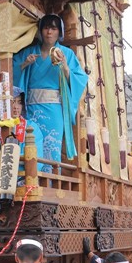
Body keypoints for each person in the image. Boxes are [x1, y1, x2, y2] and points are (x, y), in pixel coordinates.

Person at [13, 14, 88, 162]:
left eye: (54, 29)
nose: (49, 32)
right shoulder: (29, 52)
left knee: (51, 149)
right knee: (30, 145)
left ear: (59, 32)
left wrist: (65, 66)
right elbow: (9, 71)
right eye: (46, 28)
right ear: (40, 31)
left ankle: (50, 176)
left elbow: (80, 80)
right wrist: (24, 64)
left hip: (54, 110)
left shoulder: (67, 54)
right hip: (30, 109)